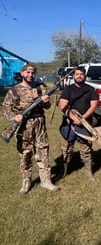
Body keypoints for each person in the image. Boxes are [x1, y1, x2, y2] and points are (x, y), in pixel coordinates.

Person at [2, 64, 59, 195]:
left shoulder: (40, 88)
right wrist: (14, 117)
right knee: (25, 153)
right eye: (28, 72)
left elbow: (48, 107)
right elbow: (6, 109)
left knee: (43, 151)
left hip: (39, 125)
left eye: (33, 73)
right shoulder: (14, 90)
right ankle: (26, 181)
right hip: (23, 126)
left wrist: (45, 101)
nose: (30, 75)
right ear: (22, 73)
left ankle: (46, 180)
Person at [58, 66, 98, 181]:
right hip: (68, 125)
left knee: (86, 150)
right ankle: (64, 171)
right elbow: (62, 105)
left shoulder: (91, 90)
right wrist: (73, 118)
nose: (79, 76)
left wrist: (82, 119)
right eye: (77, 74)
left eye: (81, 74)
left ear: (85, 76)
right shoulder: (68, 89)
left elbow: (94, 106)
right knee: (66, 149)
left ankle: (89, 172)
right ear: (73, 76)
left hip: (85, 125)